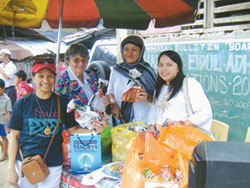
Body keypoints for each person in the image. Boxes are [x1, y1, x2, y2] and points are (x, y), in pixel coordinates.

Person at [7, 58, 104, 188]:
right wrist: (10, 169)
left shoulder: (63, 103)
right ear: (33, 77)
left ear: (55, 78)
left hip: (52, 163)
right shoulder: (22, 103)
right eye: (41, 76)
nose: (45, 80)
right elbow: (14, 136)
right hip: (26, 162)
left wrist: (94, 130)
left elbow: (73, 129)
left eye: (50, 76)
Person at [147, 50, 212, 132]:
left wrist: (182, 124)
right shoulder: (159, 87)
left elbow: (205, 112)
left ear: (178, 68)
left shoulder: (189, 84)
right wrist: (151, 126)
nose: (164, 69)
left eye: (169, 65)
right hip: (163, 139)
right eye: (161, 65)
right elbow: (154, 112)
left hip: (183, 139)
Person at [103, 35, 156, 125]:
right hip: (119, 119)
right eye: (126, 49)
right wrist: (114, 104)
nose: (129, 53)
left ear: (141, 52)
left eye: (134, 50)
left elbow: (158, 99)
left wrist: (147, 97)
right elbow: (110, 91)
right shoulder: (117, 70)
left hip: (142, 121)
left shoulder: (147, 71)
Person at [56, 43, 99, 108]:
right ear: (68, 61)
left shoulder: (92, 76)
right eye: (76, 60)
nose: (81, 64)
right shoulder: (63, 79)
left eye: (84, 60)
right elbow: (61, 106)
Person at [0, 79, 12, 162]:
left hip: (2, 121)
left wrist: (9, 125)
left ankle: (4, 153)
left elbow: (8, 113)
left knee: (4, 137)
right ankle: (3, 149)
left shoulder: (6, 99)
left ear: (3, 88)